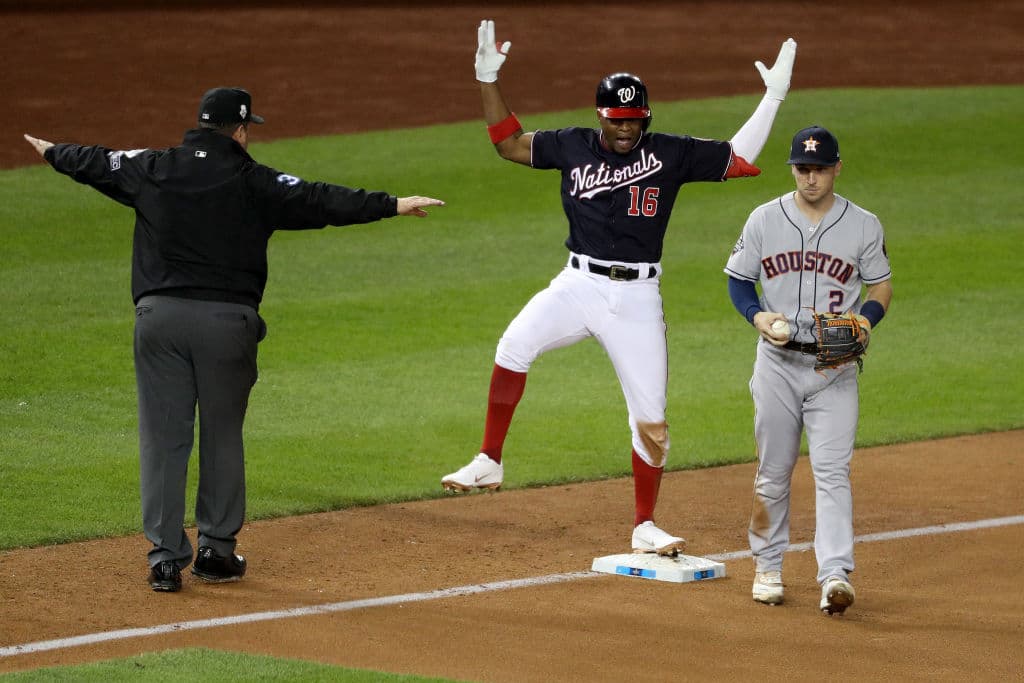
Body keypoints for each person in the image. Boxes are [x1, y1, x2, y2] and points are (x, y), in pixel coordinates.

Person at [24, 87, 444, 593]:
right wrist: (391, 204)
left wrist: (54, 151)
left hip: (159, 321)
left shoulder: (153, 167)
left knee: (163, 440)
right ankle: (216, 553)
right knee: (222, 436)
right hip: (227, 326)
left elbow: (96, 162)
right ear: (241, 131)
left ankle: (164, 560)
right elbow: (320, 199)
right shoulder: (255, 180)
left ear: (201, 125)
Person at [441, 19, 797, 557]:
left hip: (637, 299)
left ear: (645, 117)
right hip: (577, 284)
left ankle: (644, 524)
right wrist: (488, 79)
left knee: (651, 420)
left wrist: (772, 98)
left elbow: (737, 158)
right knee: (514, 345)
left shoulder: (669, 153)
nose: (626, 129)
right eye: (617, 120)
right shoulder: (571, 145)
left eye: (635, 120)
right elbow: (509, 145)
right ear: (600, 116)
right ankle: (489, 459)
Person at [723, 125, 893, 614]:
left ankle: (835, 575)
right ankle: (767, 566)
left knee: (833, 472)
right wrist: (757, 316)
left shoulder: (863, 225)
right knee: (773, 472)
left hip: (833, 370)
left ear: (837, 168)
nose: (810, 178)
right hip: (776, 366)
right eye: (802, 168)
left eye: (819, 169)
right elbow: (739, 280)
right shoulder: (763, 219)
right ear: (793, 169)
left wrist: (867, 319)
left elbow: (881, 286)